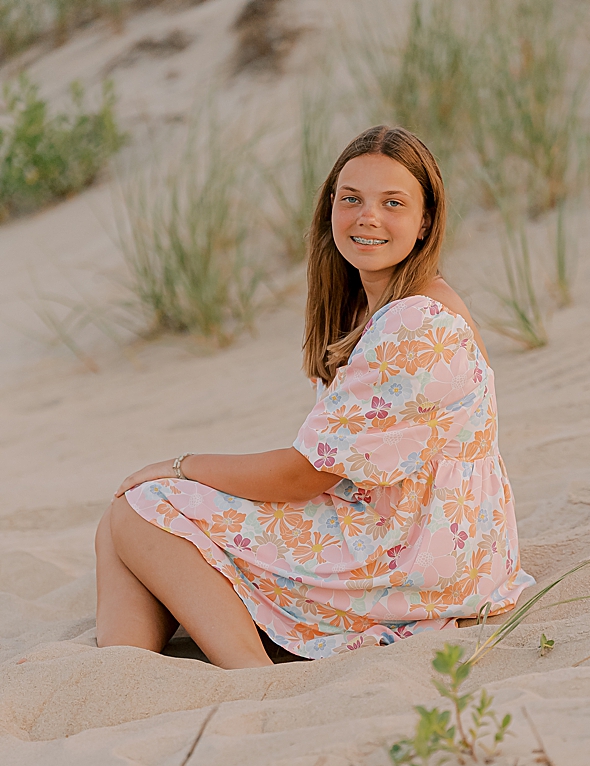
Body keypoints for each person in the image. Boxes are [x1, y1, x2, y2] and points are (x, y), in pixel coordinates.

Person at [96, 125, 534, 669]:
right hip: (426, 533)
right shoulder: (383, 303)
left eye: (392, 203)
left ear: (425, 222)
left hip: (415, 553)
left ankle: (250, 679)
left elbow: (310, 474)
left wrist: (182, 466)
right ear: (331, 207)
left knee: (145, 508)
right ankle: (116, 675)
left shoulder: (416, 323)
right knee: (127, 522)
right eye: (351, 199)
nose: (367, 216)